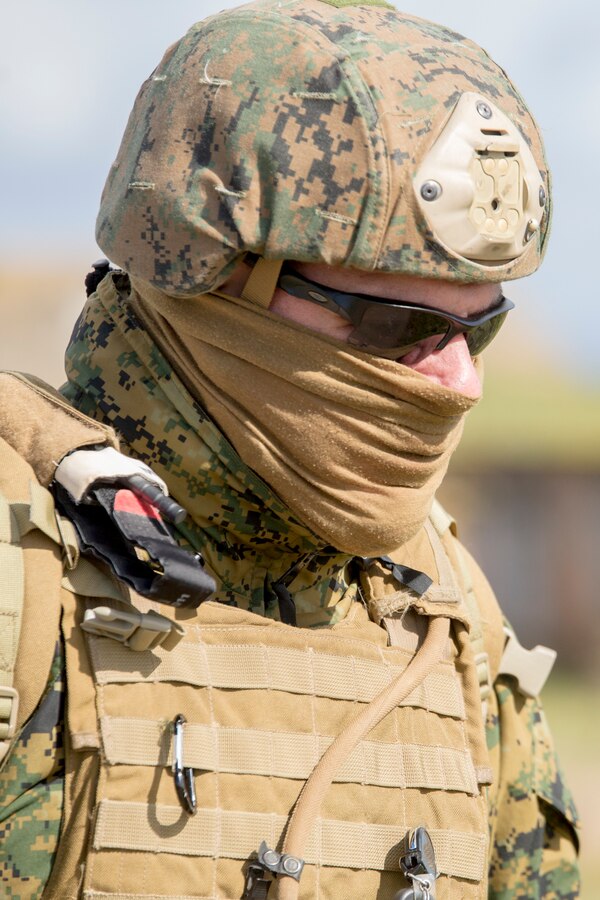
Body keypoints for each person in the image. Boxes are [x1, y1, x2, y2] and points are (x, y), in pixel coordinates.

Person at [0, 1, 580, 897]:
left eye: (482, 327)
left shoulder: (450, 614)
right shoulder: (20, 579)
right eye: (399, 323)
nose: (460, 384)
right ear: (209, 276)